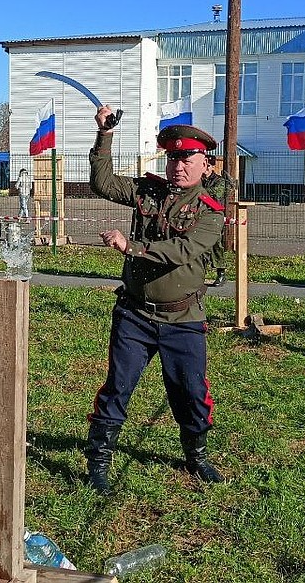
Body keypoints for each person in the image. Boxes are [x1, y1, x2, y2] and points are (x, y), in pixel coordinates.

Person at [84, 105, 226, 493]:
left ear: (205, 165)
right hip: (135, 315)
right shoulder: (147, 192)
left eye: (187, 158)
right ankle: (98, 460)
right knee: (118, 386)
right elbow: (103, 183)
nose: (178, 165)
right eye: (173, 157)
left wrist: (131, 246)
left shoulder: (211, 213)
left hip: (182, 319)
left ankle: (196, 454)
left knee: (191, 393)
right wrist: (106, 134)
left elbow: (181, 250)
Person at [201, 155, 231, 286]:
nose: (205, 169)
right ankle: (200, 273)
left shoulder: (219, 181)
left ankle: (221, 273)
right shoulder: (200, 181)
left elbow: (214, 194)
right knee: (200, 246)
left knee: (216, 246)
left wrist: (198, 191)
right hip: (201, 216)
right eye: (203, 166)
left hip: (215, 217)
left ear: (212, 167)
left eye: (208, 166)